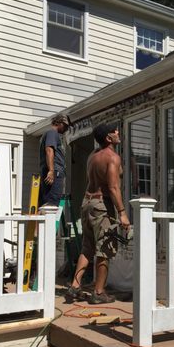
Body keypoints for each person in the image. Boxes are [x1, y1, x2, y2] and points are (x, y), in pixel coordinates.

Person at [67, 122, 130, 304]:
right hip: (102, 205)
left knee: (87, 248)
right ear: (109, 138)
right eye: (115, 132)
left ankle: (75, 286)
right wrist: (122, 213)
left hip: (87, 203)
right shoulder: (112, 157)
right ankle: (99, 293)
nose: (118, 133)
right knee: (105, 249)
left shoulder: (92, 156)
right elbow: (112, 187)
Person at [39, 114, 70, 207]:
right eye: (66, 126)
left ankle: (46, 221)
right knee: (51, 205)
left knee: (47, 204)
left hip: (52, 172)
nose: (66, 129)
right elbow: (49, 150)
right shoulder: (52, 133)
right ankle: (49, 222)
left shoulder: (50, 134)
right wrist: (51, 171)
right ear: (59, 123)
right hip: (54, 172)